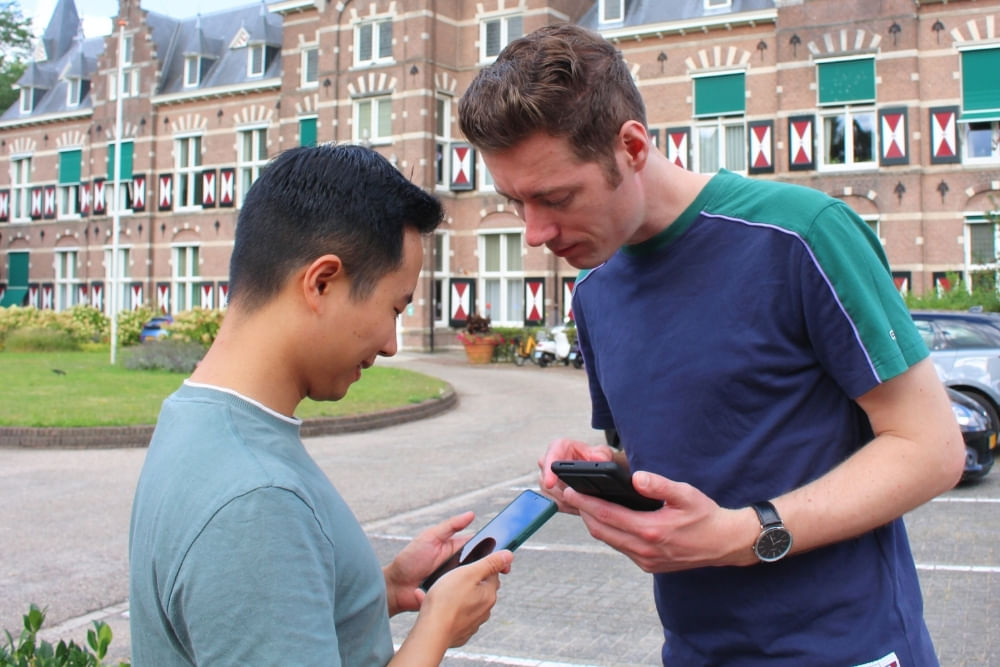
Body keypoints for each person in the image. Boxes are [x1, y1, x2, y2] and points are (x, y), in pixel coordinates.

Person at [458, 23, 965, 666]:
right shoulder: (595, 291)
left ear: (632, 146)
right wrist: (604, 477)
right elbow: (685, 463)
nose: (534, 233)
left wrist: (741, 535)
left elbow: (932, 449)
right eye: (514, 202)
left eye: (554, 197)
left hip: (847, 651)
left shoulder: (802, 235)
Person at [128, 144, 513, 666]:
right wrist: (437, 627)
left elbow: (257, 609)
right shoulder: (255, 499)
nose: (391, 343)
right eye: (394, 307)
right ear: (322, 282)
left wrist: (381, 589)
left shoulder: (194, 419)